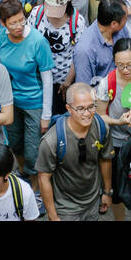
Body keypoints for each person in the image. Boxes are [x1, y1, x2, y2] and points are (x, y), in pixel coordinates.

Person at [0, 0, 53, 187]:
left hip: (34, 101)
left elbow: (47, 79)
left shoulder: (37, 42)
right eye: (12, 23)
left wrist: (46, 114)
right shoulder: (0, 37)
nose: (18, 26)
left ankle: (35, 188)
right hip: (10, 101)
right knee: (15, 142)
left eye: (21, 20)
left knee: (33, 150)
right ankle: (23, 172)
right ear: (3, 23)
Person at [36, 80, 113, 222]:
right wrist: (53, 216)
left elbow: (105, 159)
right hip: (66, 208)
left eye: (91, 107)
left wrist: (107, 192)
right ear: (69, 109)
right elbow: (43, 178)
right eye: (80, 109)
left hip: (92, 201)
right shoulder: (52, 141)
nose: (87, 113)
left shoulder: (101, 128)